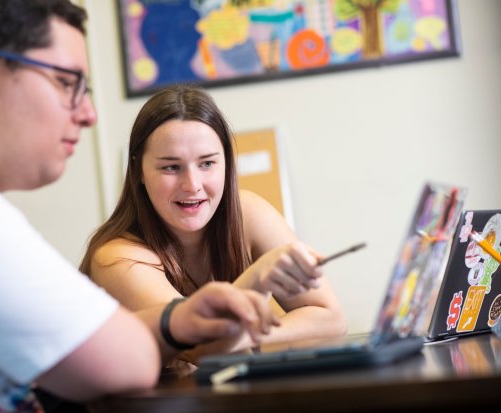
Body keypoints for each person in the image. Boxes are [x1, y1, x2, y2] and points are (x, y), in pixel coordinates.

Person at [0, 1, 280, 412]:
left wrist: (180, 320)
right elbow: (123, 363)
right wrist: (176, 323)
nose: (89, 114)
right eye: (67, 83)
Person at [80, 85, 347, 362]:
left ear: (227, 163)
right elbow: (203, 347)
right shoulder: (116, 258)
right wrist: (258, 277)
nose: (192, 185)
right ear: (138, 171)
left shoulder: (248, 212)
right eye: (171, 167)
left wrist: (244, 337)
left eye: (207, 164)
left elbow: (332, 320)